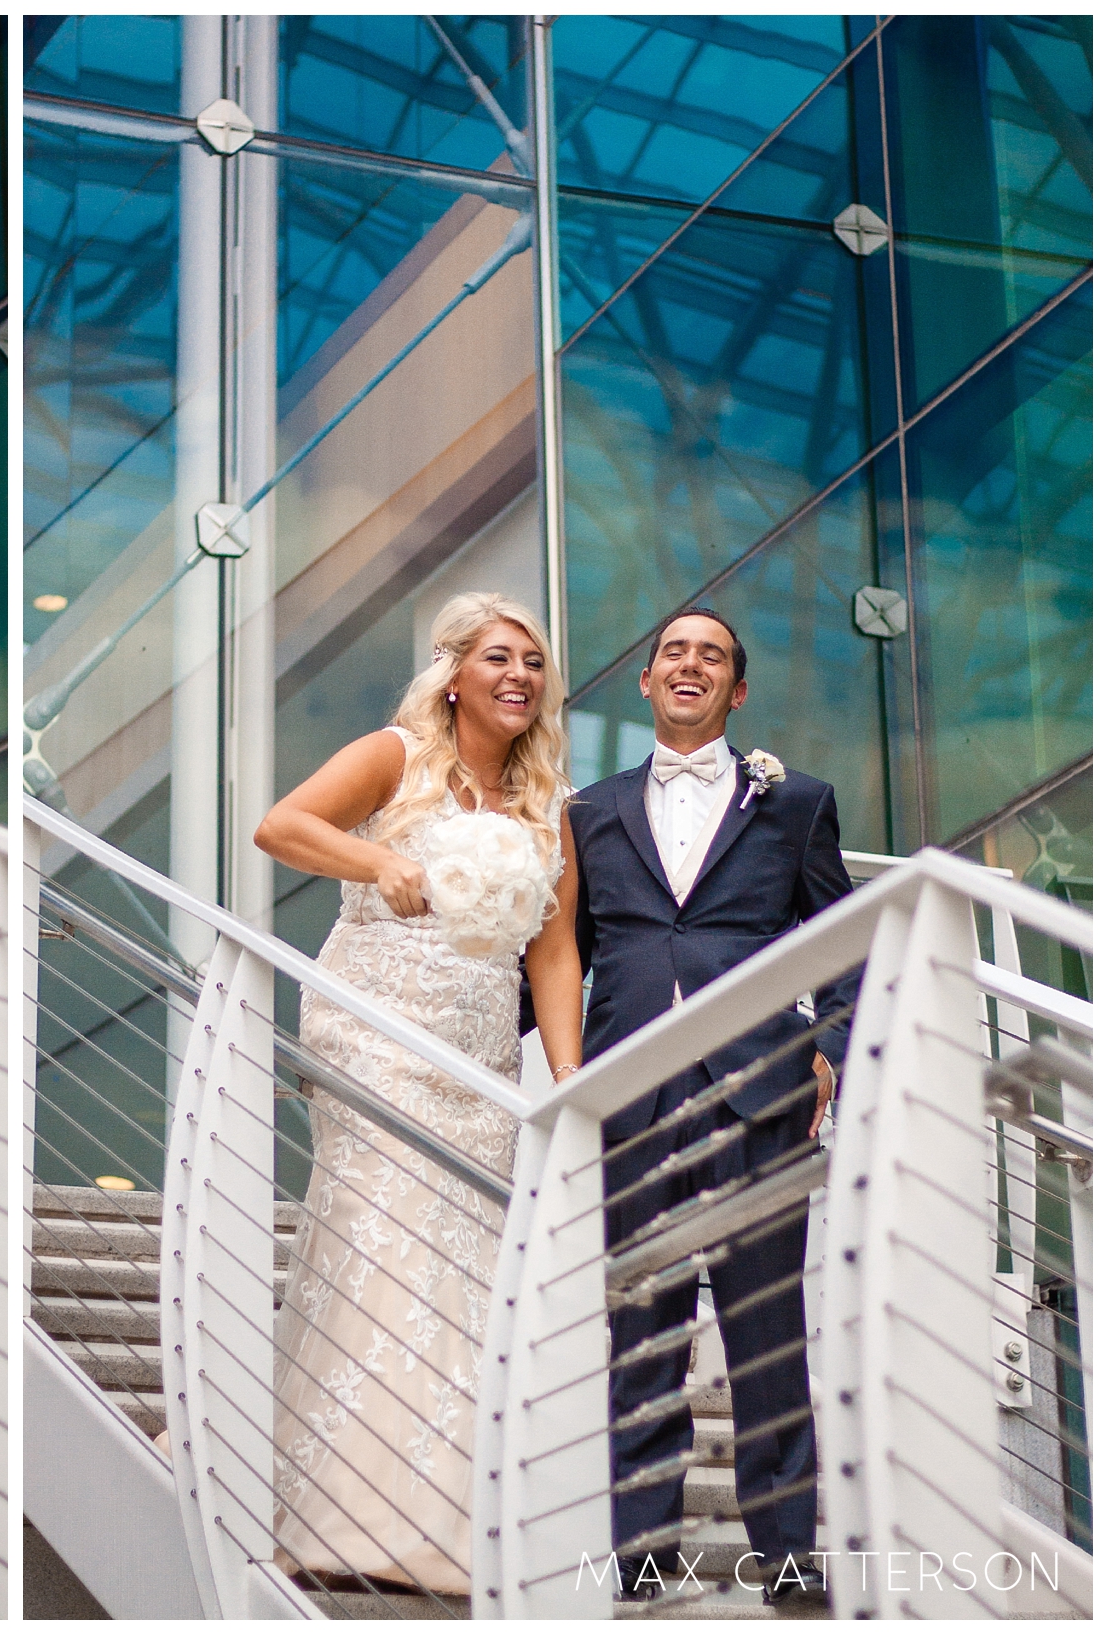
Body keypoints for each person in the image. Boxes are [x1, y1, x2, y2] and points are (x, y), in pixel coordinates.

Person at [254, 591, 584, 1595]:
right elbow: (282, 825)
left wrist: (566, 1082)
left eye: (533, 662)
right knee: (381, 1227)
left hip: (478, 1056)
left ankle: (453, 1515)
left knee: (464, 1255)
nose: (519, 675)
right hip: (374, 1026)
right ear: (452, 672)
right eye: (498, 657)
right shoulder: (393, 754)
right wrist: (376, 857)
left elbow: (555, 952)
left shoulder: (545, 807)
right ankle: (346, 1515)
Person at [572, 607, 850, 1610]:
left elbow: (846, 945)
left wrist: (827, 1053)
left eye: (712, 656)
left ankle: (788, 1556)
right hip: (632, 1094)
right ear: (644, 684)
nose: (689, 665)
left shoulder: (798, 804)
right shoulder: (587, 811)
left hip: (760, 1095)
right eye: (672, 653)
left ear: (735, 692)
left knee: (767, 1333)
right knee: (641, 1334)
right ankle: (641, 1557)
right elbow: (560, 959)